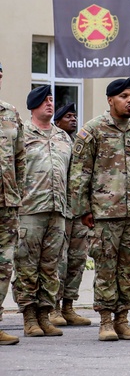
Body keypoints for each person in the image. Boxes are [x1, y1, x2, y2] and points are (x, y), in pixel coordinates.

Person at [68, 78, 130, 341]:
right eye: (124, 96)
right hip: (104, 212)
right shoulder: (93, 130)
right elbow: (79, 173)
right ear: (110, 100)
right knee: (105, 268)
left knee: (129, 269)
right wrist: (83, 209)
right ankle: (105, 321)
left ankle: (123, 319)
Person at [14, 86, 69, 338]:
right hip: (30, 209)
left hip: (58, 210)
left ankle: (45, 315)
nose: (50, 103)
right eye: (45, 100)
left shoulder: (63, 137)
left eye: (51, 100)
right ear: (33, 105)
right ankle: (28, 316)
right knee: (27, 265)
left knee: (51, 265)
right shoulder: (22, 134)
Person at [51, 103, 92, 326]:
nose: (73, 120)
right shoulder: (55, 141)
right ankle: (54, 307)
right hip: (60, 208)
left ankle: (69, 306)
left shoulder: (80, 142)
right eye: (68, 116)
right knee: (60, 259)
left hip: (79, 209)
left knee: (77, 258)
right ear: (57, 122)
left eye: (75, 116)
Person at [0, 62, 25, 347]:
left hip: (7, 201)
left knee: (4, 265)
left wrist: (18, 192)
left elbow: (20, 158)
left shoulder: (10, 112)